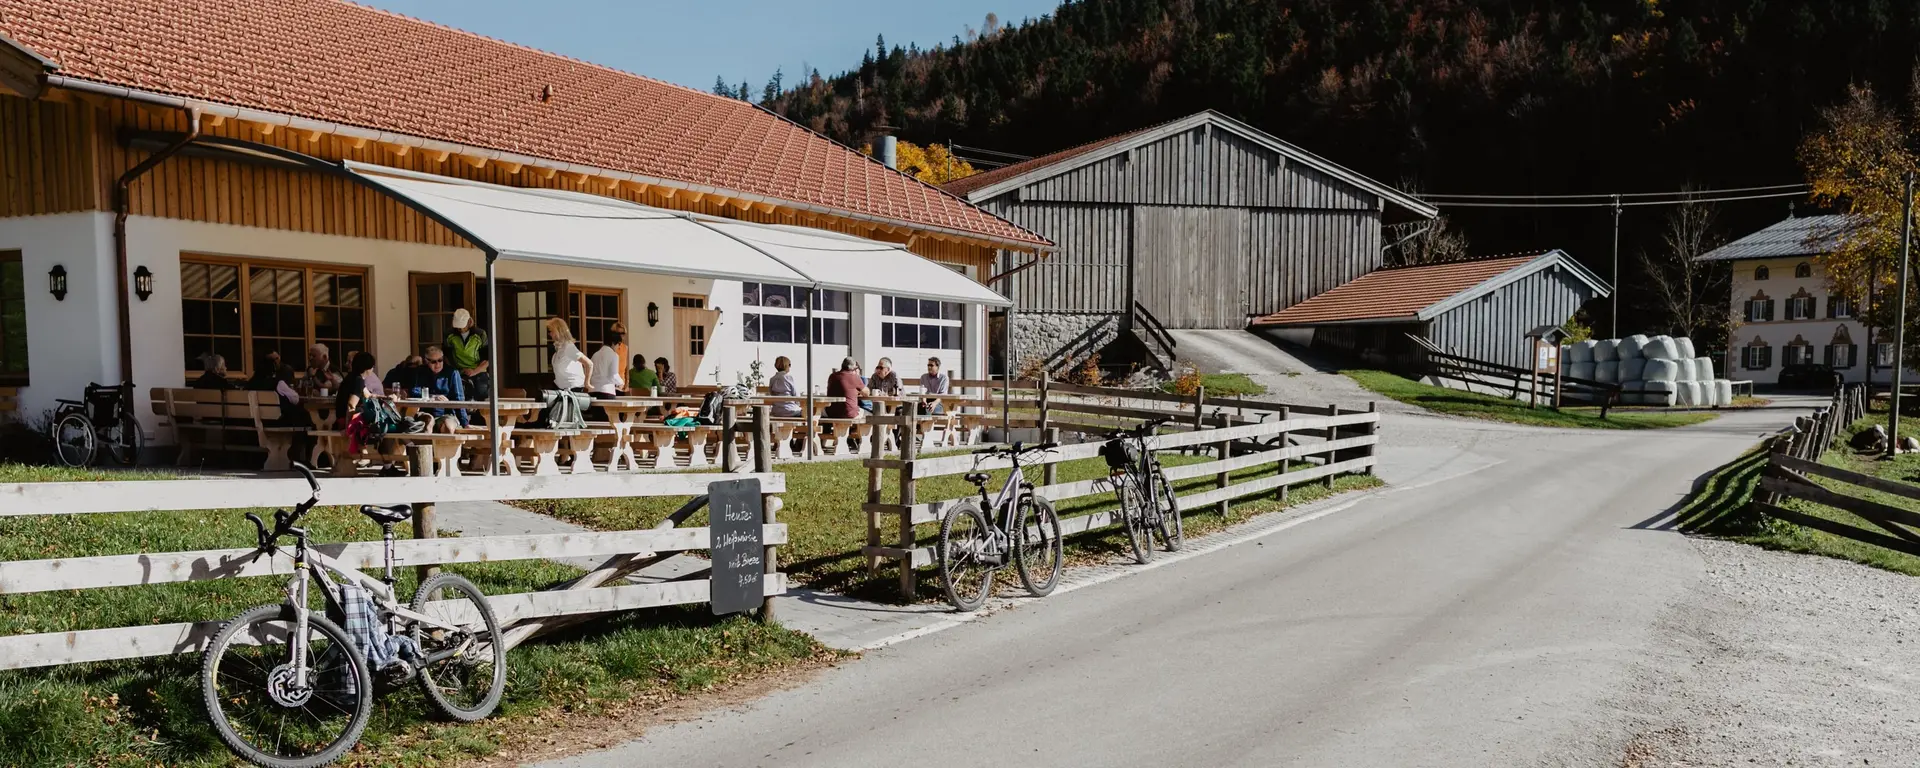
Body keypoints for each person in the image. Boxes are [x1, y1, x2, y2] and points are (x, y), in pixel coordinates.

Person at [445, 308, 492, 402]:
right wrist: (460, 370)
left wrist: (474, 371)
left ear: (469, 322)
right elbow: (447, 356)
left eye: (462, 326)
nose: (460, 329)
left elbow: (487, 358)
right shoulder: (449, 335)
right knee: (460, 397)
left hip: (478, 371)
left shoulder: (480, 334)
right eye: (458, 327)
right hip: (458, 371)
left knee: (481, 397)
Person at [418, 346, 467, 433]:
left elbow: (459, 398)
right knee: (428, 422)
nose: (437, 364)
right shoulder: (420, 372)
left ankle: (447, 446)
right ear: (426, 361)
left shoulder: (452, 372)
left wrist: (465, 422)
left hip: (447, 413)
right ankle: (429, 446)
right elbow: (414, 391)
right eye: (433, 361)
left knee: (448, 426)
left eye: (440, 360)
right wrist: (432, 397)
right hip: (426, 412)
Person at [548, 317, 592, 392]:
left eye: (551, 331)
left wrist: (587, 383)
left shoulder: (568, 347)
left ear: (558, 332)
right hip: (561, 388)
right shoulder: (559, 349)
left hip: (574, 389)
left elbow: (589, 363)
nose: (550, 334)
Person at [588, 328, 625, 400]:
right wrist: (621, 383)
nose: (619, 347)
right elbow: (614, 375)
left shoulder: (595, 354)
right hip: (606, 391)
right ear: (613, 343)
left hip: (592, 391)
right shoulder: (614, 355)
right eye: (619, 344)